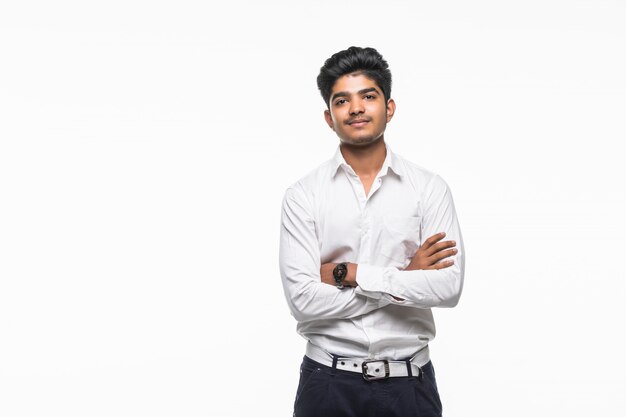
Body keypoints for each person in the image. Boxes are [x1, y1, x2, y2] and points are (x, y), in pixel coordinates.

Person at [279, 46, 465, 417]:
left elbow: (447, 288)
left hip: (409, 384)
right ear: (329, 117)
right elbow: (303, 301)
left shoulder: (429, 189)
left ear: (389, 108)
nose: (357, 108)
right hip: (327, 383)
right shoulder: (303, 195)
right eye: (342, 100)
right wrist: (405, 278)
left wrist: (352, 274)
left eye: (368, 96)